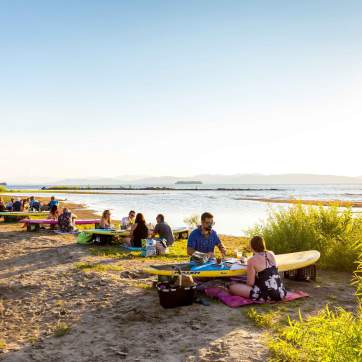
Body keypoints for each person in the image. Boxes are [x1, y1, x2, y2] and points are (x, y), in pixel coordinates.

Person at [229, 236, 287, 301]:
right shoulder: (271, 253)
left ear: (252, 246)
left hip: (267, 295)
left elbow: (250, 283)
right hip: (281, 292)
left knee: (232, 287)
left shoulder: (251, 260)